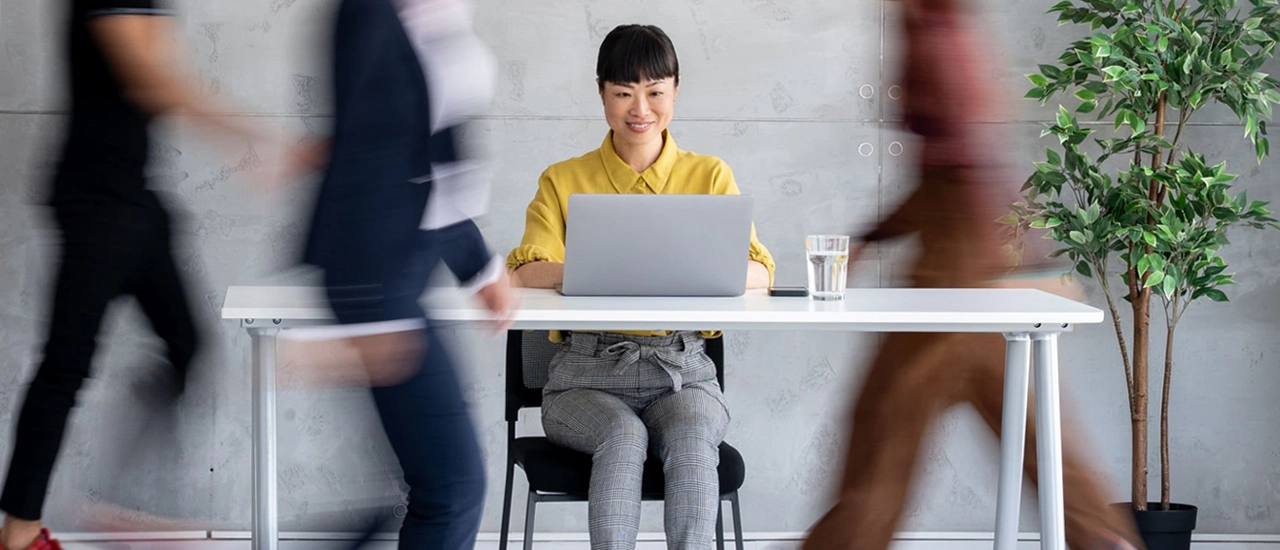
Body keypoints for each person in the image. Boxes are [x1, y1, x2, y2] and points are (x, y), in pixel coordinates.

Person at [799, 1, 1143, 550]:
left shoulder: (933, 24)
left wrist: (1019, 252)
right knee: (1045, 457)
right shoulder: (943, 20)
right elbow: (955, 163)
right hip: (979, 260)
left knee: (879, 449)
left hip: (955, 270)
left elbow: (961, 156)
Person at [0, 1, 309, 548]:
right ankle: (20, 534)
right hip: (96, 201)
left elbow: (162, 73)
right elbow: (152, 82)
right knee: (65, 367)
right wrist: (255, 134)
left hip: (134, 200)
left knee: (186, 342)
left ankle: (120, 505)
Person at [507, 24, 775, 550]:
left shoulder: (710, 174)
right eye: (624, 92)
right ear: (602, 91)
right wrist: (598, 267)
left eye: (655, 92)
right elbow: (524, 273)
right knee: (623, 438)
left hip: (682, 372)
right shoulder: (563, 179)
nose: (640, 108)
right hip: (584, 377)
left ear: (675, 90)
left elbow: (762, 274)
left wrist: (687, 267)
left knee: (696, 441)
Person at [300, 0, 514, 549]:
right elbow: (372, 145)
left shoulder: (433, 12)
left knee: (442, 486)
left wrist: (479, 265)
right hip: (379, 275)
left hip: (397, 274)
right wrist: (374, 303)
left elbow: (435, 148)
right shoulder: (371, 11)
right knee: (453, 486)